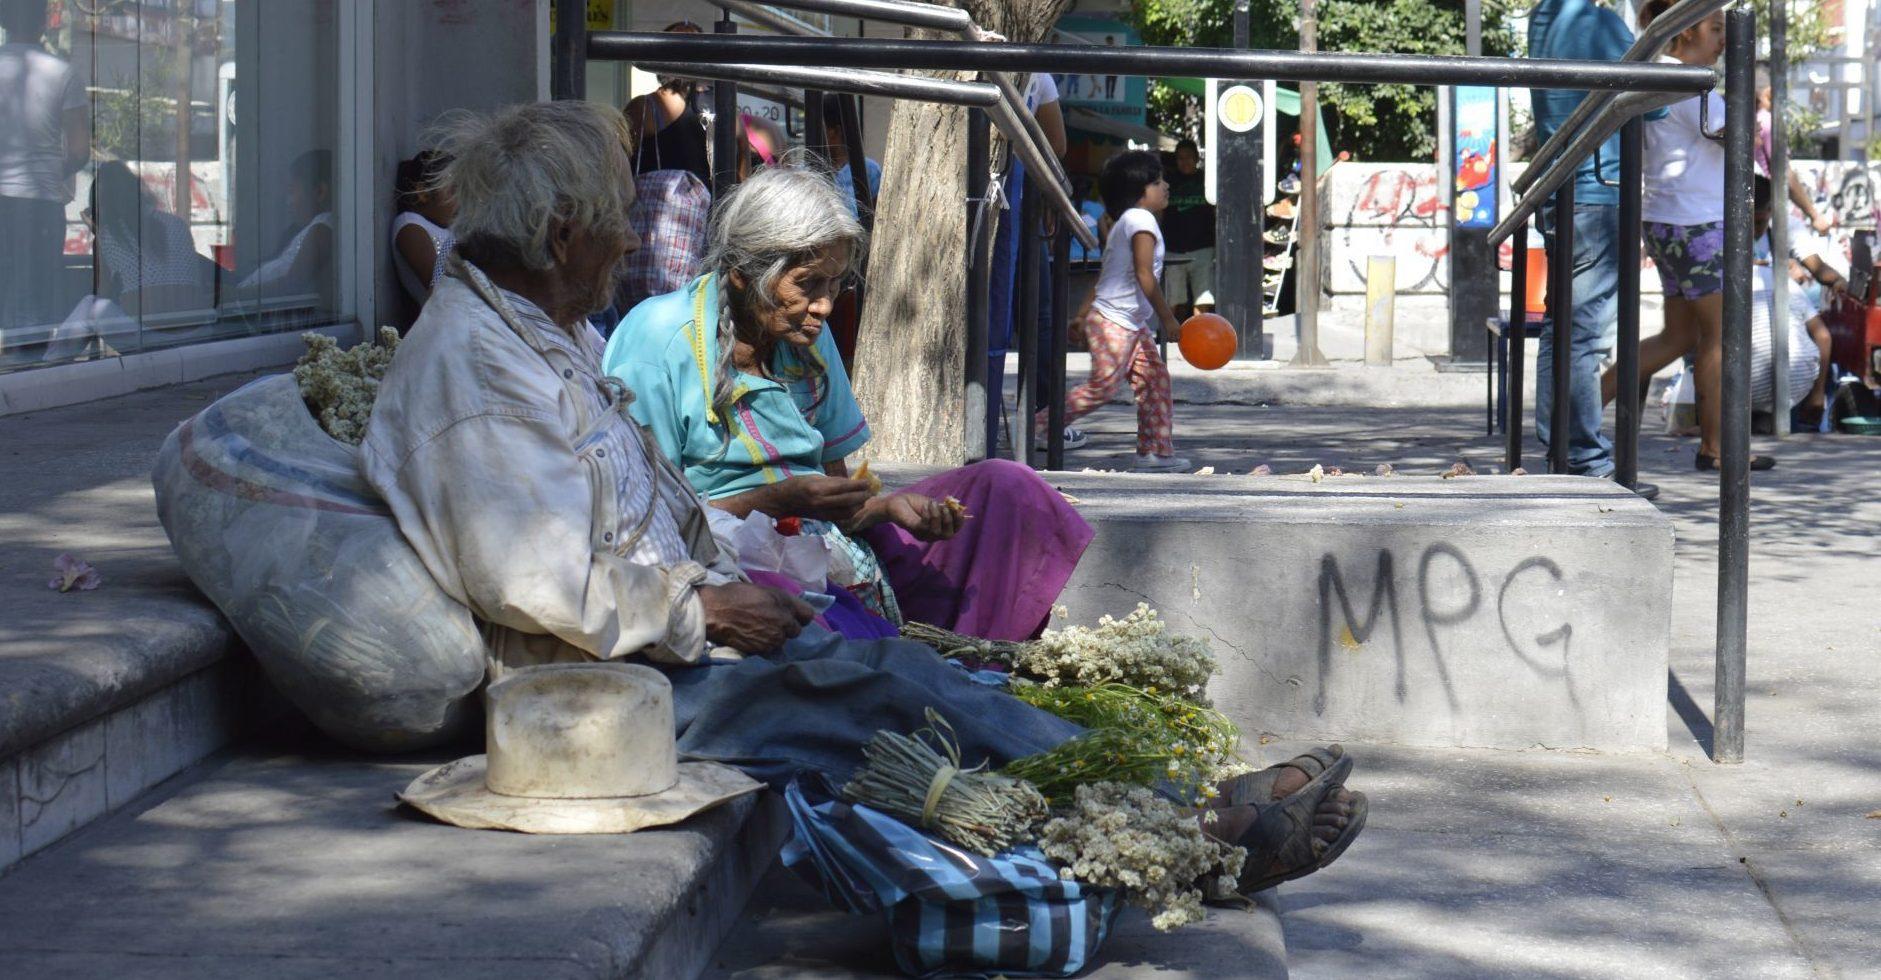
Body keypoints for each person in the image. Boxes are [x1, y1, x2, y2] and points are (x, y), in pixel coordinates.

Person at [359, 102, 1360, 893]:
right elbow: (535, 584)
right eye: (613, 225)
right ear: (557, 231)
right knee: (876, 697)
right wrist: (702, 602)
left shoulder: (542, 333)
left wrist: (739, 563)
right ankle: (1197, 825)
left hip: (677, 622)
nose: (627, 243)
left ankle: (1184, 813)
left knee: (918, 671)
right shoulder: (476, 375)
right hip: (598, 688)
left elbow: (658, 502)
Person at [605, 164, 1094, 642]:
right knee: (831, 631)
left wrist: (888, 508)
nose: (824, 306)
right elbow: (647, 524)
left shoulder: (803, 331)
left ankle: (971, 659)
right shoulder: (658, 342)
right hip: (725, 563)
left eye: (834, 285)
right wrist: (775, 502)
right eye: (807, 284)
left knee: (1008, 488)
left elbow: (839, 497)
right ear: (741, 274)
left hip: (827, 548)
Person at [1528, 0, 1659, 499]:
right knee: (1585, 335)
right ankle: (1584, 459)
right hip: (1599, 190)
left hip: (1561, 190)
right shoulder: (1597, 22)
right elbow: (1658, 100)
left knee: (1561, 331)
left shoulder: (1543, 19)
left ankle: (1563, 450)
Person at [1636, 0, 1773, 472]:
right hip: (1698, 222)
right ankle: (1717, 446)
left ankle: (1585, 408)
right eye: (1716, 29)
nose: (1723, 40)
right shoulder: (1693, 85)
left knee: (1678, 336)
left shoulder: (1660, 79)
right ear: (1687, 32)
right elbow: (1737, 132)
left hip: (1665, 218)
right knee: (1721, 335)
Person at [1602, 177, 1832, 428]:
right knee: (1710, 338)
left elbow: (1818, 268)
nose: (1755, 230)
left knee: (1680, 337)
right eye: (1752, 221)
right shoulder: (1717, 230)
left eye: (1760, 222)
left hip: (1667, 220)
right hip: (1687, 224)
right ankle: (1712, 441)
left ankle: (1711, 440)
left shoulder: (1778, 236)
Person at [1037, 150, 1186, 472]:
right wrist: (1168, 318)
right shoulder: (1141, 221)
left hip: (1125, 322)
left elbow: (1108, 275)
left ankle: (1155, 452)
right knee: (1103, 387)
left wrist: (1080, 314)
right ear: (1140, 192)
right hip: (1115, 323)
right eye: (1158, 182)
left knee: (1155, 380)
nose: (1166, 186)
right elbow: (1144, 274)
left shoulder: (1125, 223)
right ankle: (1037, 426)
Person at [43, 161, 216, 362]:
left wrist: (97, 233)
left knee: (90, 305)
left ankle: (50, 362)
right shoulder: (176, 224)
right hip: (197, 332)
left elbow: (103, 293)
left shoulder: (109, 234)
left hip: (150, 338)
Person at [0, 0, 88, 354]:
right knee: (34, 301)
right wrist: (54, 170)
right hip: (41, 202)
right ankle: (31, 376)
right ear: (44, 22)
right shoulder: (63, 73)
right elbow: (80, 151)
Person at [614, 20, 713, 322]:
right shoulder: (726, 111)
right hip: (705, 240)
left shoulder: (647, 108)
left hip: (653, 248)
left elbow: (612, 167)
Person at [238, 149, 334, 301]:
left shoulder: (322, 229)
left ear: (320, 192)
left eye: (292, 191)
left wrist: (234, 296)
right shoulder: (303, 230)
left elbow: (291, 284)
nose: (288, 202)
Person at [391, 150, 456, 307]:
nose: (460, 200)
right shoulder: (411, 226)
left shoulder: (447, 228)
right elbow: (442, 285)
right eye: (453, 191)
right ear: (423, 193)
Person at [1161, 138, 1215, 322]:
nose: (1185, 162)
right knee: (1176, 302)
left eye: (1189, 158)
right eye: (1180, 158)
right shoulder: (1167, 183)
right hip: (1173, 250)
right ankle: (1175, 341)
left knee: (1203, 300)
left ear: (1197, 158)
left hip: (1203, 248)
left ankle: (1202, 339)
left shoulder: (1207, 182)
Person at [819, 93, 880, 220]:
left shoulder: (868, 170)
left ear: (835, 132)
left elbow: (876, 218)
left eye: (821, 128)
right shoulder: (806, 169)